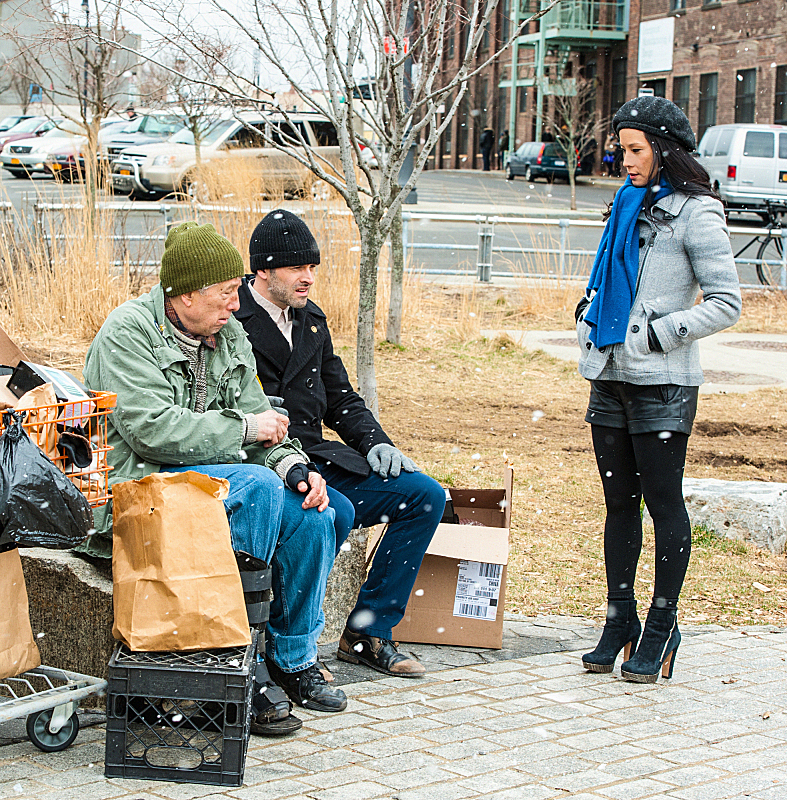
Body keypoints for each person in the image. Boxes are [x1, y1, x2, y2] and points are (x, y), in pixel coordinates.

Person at [79, 221, 348, 736]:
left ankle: (293, 661)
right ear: (184, 296)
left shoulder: (227, 334)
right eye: (225, 294)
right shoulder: (127, 333)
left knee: (315, 513)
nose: (234, 304)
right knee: (257, 488)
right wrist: (246, 430)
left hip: (209, 479)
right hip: (139, 487)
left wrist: (295, 468)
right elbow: (150, 430)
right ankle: (238, 663)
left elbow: (259, 424)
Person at [235, 209, 446, 678]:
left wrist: (376, 442)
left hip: (318, 457)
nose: (308, 277)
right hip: (268, 464)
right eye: (296, 268)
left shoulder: (310, 319)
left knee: (424, 496)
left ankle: (368, 632)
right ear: (263, 270)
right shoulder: (234, 320)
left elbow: (340, 397)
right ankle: (287, 649)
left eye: (312, 267)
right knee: (332, 513)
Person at [575, 96, 741, 684]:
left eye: (635, 149)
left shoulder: (698, 213)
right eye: (621, 148)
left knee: (663, 504)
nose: (624, 159)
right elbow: (604, 280)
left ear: (665, 151)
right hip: (609, 377)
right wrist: (587, 315)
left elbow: (727, 303)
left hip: (663, 383)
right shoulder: (623, 205)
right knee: (618, 504)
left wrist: (656, 333)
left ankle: (662, 623)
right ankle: (618, 618)